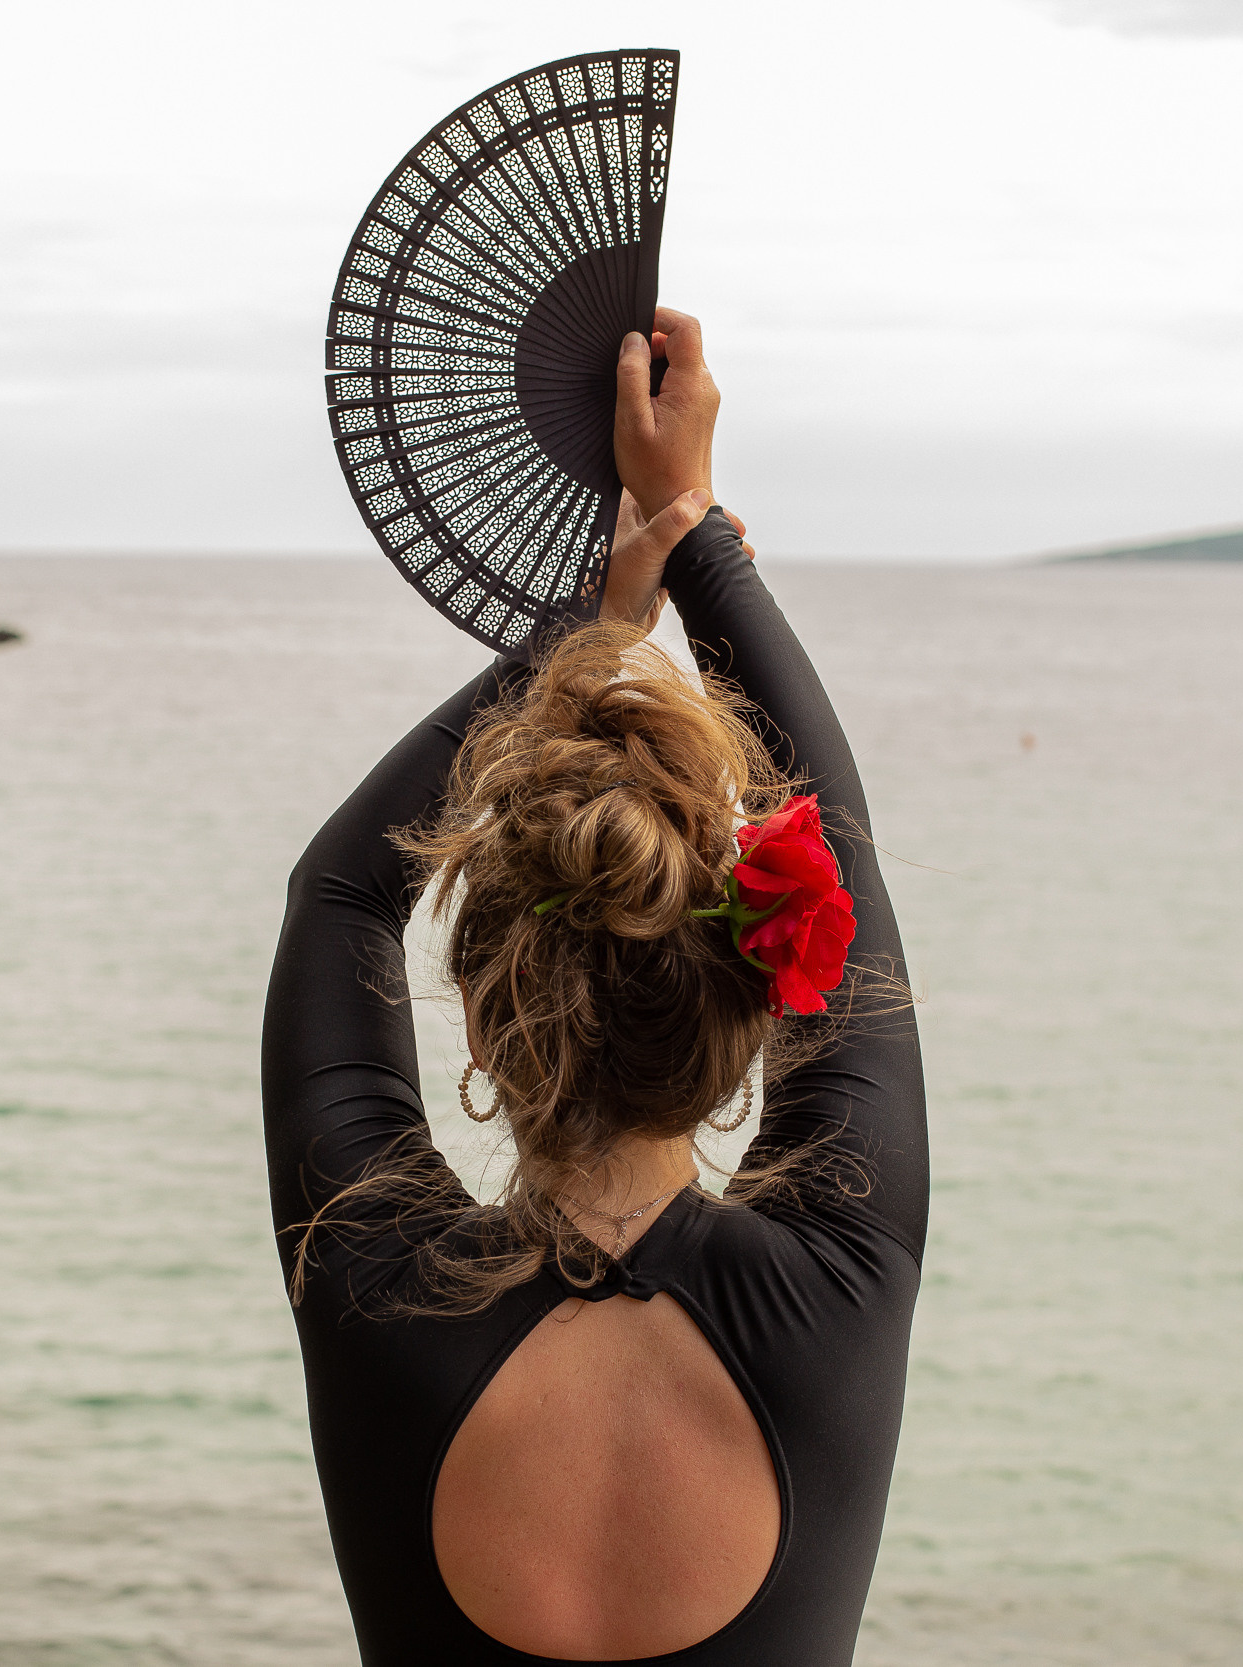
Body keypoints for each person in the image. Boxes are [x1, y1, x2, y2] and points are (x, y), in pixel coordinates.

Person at [263, 307, 927, 1663]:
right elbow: (837, 831)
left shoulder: (379, 1285)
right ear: (753, 1006)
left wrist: (601, 616)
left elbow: (340, 890)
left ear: (487, 1014)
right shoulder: (844, 1278)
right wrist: (682, 518)